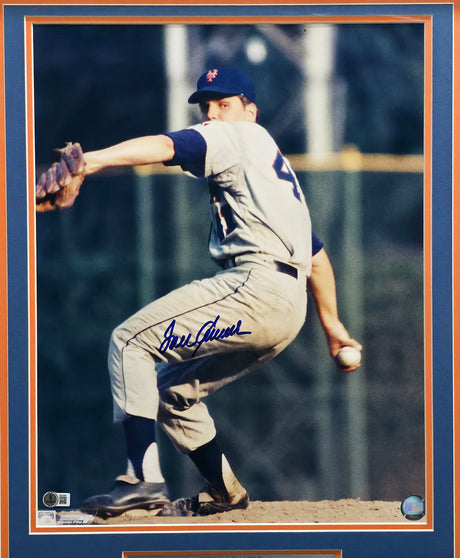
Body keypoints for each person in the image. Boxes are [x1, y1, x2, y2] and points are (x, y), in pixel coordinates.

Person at [78, 67, 362, 518]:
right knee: (171, 392)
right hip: (287, 312)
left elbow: (164, 146)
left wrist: (89, 161)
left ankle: (142, 480)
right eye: (206, 106)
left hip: (255, 288)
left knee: (130, 341)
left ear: (250, 111)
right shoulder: (271, 172)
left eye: (224, 104)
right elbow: (318, 258)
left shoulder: (239, 136)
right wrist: (332, 326)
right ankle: (225, 491)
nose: (212, 114)